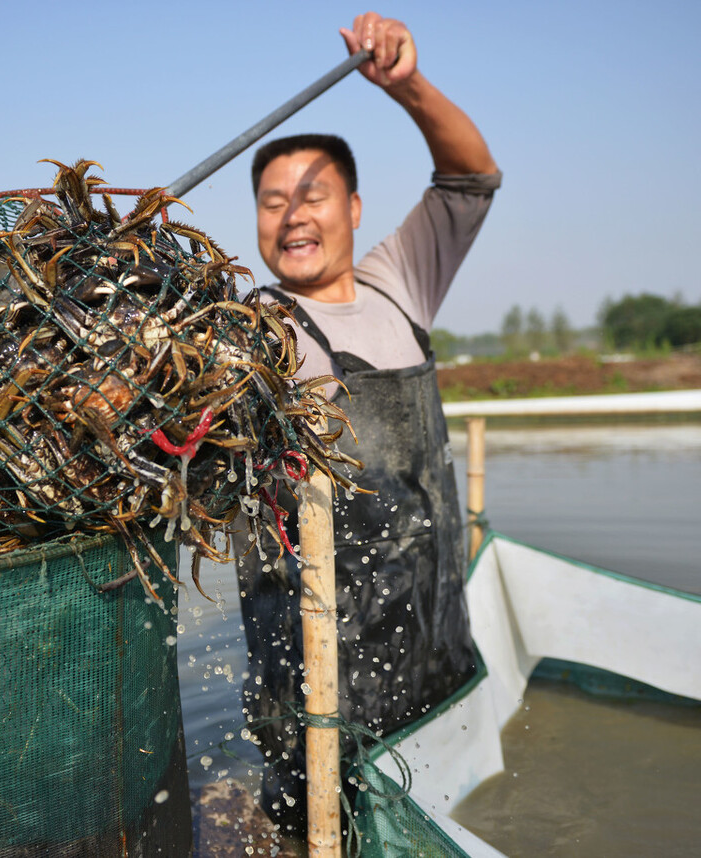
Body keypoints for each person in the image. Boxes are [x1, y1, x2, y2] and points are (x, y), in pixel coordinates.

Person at [234, 12, 501, 834]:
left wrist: (407, 87)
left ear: (353, 207)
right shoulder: (253, 331)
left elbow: (472, 178)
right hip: (320, 673)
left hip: (432, 637)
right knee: (324, 829)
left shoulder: (399, 281)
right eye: (271, 203)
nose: (291, 216)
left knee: (447, 816)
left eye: (311, 196)